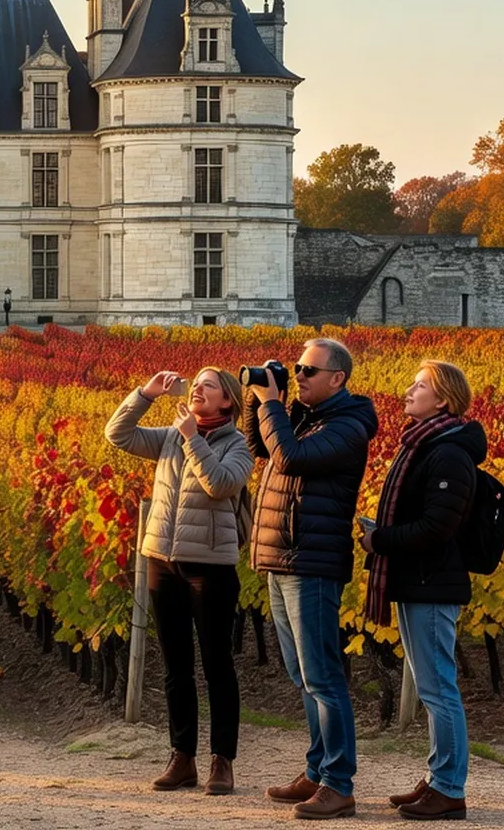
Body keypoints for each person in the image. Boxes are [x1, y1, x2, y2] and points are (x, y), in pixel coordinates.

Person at [246, 337, 378, 820]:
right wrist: (258, 398)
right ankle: (318, 767)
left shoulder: (349, 425)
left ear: (337, 378)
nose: (298, 376)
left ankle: (338, 783)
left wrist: (273, 403)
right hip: (283, 558)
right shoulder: (305, 415)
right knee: (302, 675)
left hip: (313, 563)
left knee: (323, 675)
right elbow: (260, 445)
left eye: (308, 370)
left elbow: (291, 459)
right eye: (297, 368)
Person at [106, 367, 253, 797]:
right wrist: (145, 393)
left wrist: (191, 438)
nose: (198, 390)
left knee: (217, 666)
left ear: (227, 400)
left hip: (209, 564)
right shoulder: (169, 437)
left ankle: (222, 761)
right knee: (175, 667)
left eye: (209, 385)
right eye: (198, 384)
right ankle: (182, 757)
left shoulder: (236, 444)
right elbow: (118, 434)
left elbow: (221, 485)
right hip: (162, 561)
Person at [361, 361, 481, 821]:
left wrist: (381, 539)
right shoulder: (427, 445)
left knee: (438, 689)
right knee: (434, 687)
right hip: (419, 580)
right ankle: (437, 777)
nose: (408, 391)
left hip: (432, 581)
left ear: (443, 400)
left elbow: (437, 527)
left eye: (419, 385)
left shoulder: (448, 453)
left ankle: (449, 788)